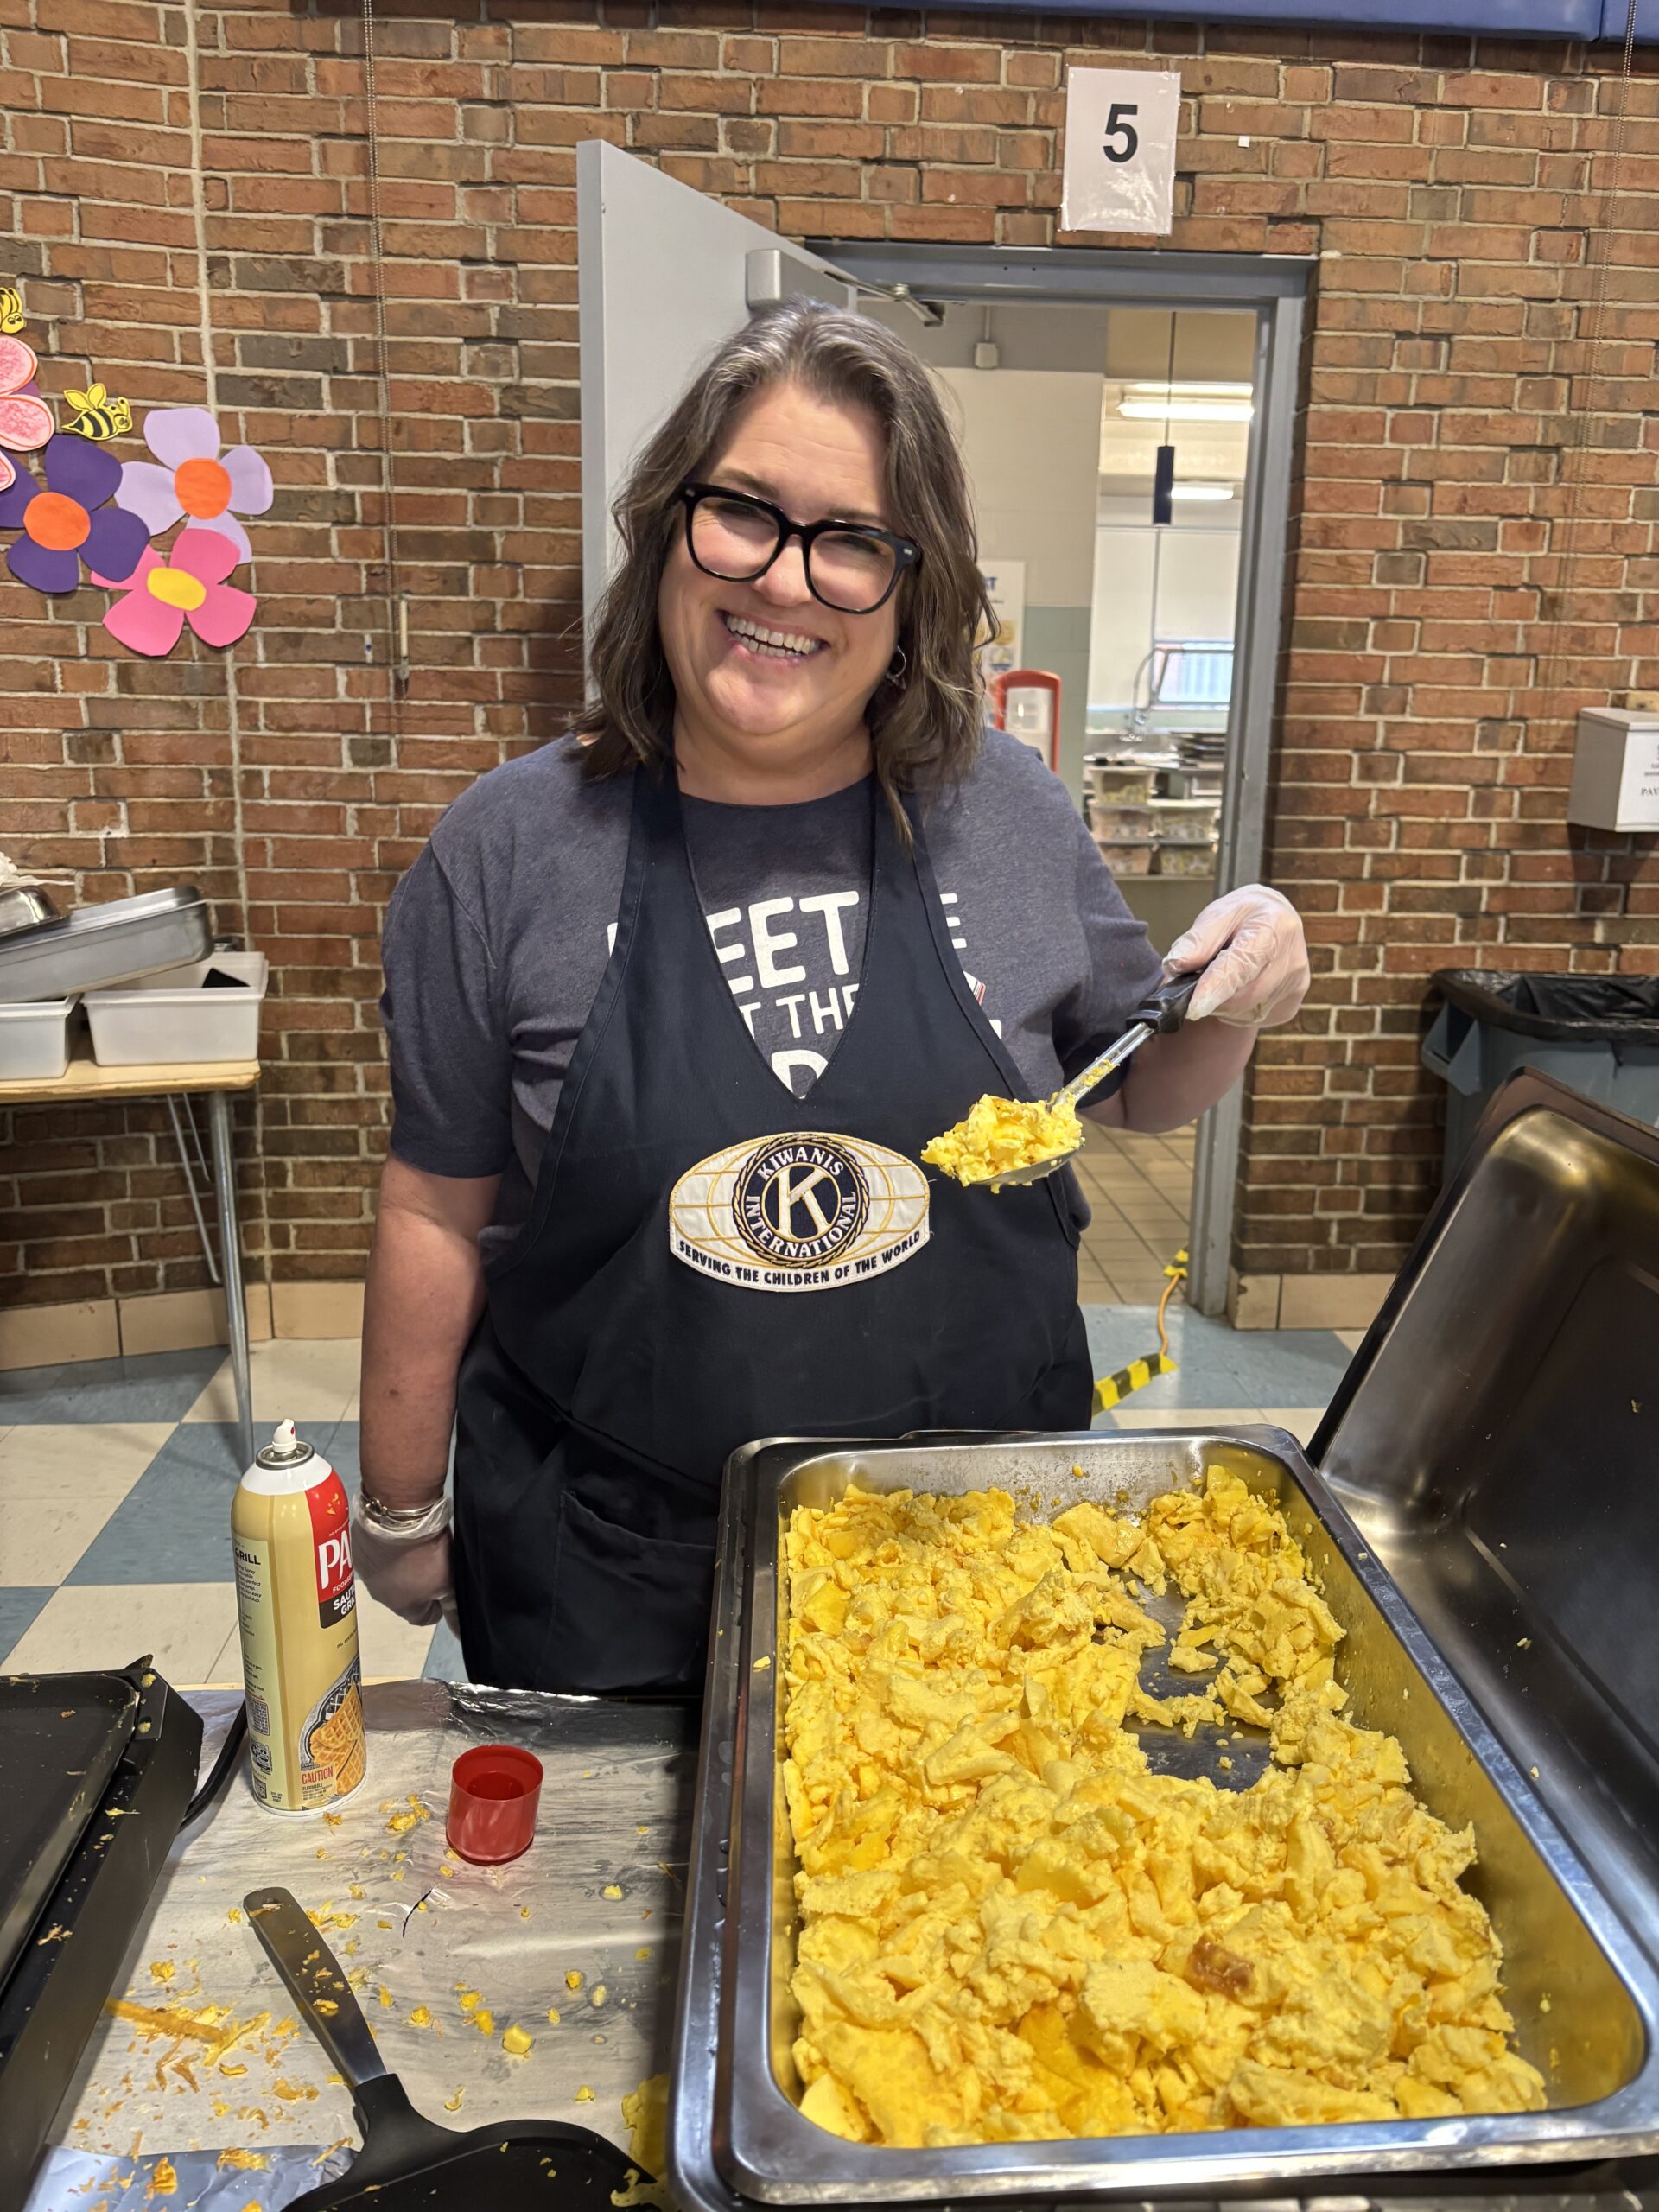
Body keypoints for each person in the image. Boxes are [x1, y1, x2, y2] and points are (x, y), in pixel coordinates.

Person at [353, 302, 1309, 1695]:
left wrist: (1245, 989)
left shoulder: (1007, 814)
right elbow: (434, 1204)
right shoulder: (508, 851)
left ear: (916, 593)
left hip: (988, 1567)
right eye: (744, 513)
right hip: (620, 1566)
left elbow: (1145, 1084)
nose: (786, 581)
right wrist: (397, 1504)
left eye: (853, 540)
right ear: (667, 529)